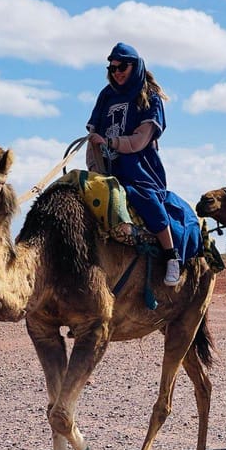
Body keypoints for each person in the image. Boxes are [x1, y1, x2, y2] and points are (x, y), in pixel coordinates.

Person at [86, 42, 190, 286]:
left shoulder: (150, 97)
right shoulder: (106, 95)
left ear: (135, 66)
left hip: (139, 167)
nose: (117, 72)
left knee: (144, 197)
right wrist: (94, 166)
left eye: (122, 67)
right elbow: (93, 137)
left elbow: (140, 141)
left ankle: (171, 255)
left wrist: (110, 142)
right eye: (112, 68)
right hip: (107, 167)